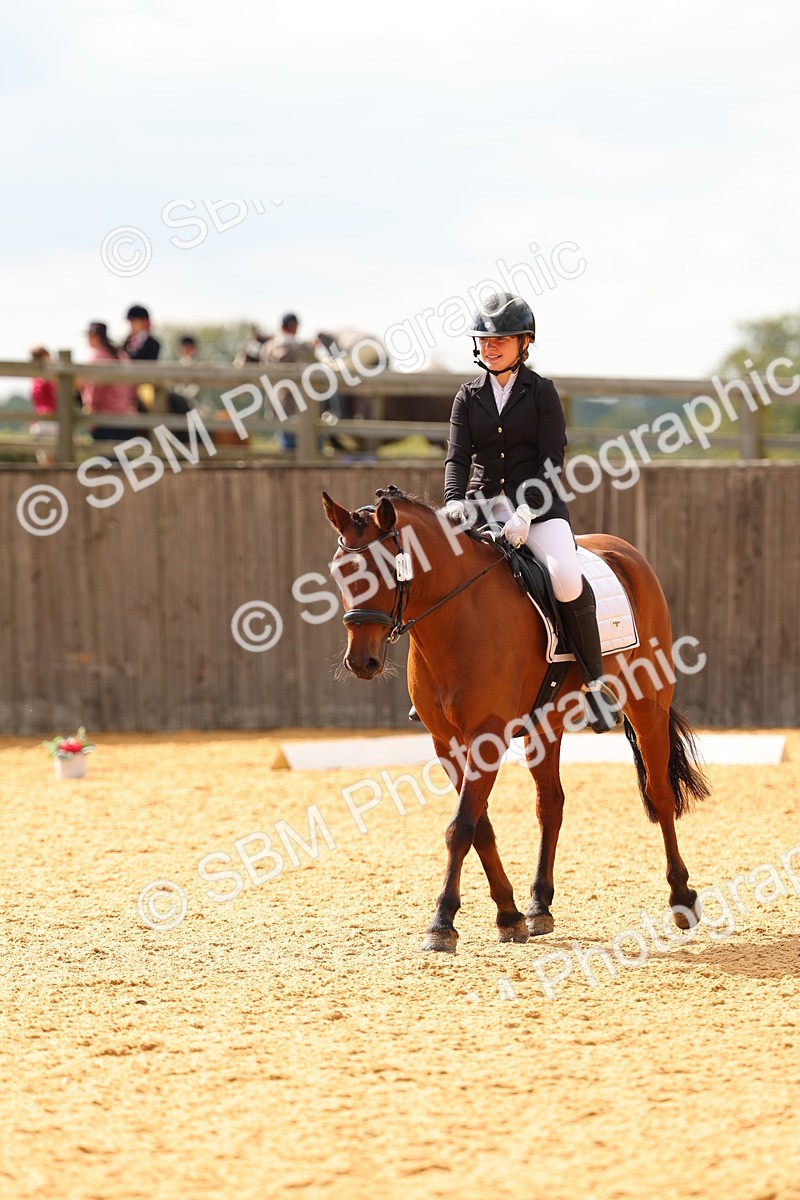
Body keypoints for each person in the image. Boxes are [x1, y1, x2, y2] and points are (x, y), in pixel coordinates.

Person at [441, 291, 622, 734]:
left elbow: (552, 459)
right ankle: (436, 685)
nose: (490, 346)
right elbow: (457, 457)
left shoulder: (542, 393)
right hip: (480, 508)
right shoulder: (467, 396)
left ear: (525, 343)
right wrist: (452, 500)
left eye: (500, 339)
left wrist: (526, 510)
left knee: (564, 578)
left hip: (537, 508)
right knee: (438, 574)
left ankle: (595, 684)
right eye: (484, 339)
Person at [261, 312, 316, 450]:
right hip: (302, 407)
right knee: (311, 450)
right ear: (295, 327)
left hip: (279, 406)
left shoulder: (268, 347)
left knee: (287, 450)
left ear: (281, 327)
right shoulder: (303, 348)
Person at [77, 322, 138, 444]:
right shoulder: (122, 355)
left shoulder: (98, 356)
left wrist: (90, 408)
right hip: (125, 414)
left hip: (104, 416)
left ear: (95, 336)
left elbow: (95, 387)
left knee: (106, 456)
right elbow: (132, 385)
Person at [29, 346, 58, 464]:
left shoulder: (35, 378)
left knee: (44, 463)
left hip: (39, 423)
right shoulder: (48, 377)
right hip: (52, 421)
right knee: (58, 462)